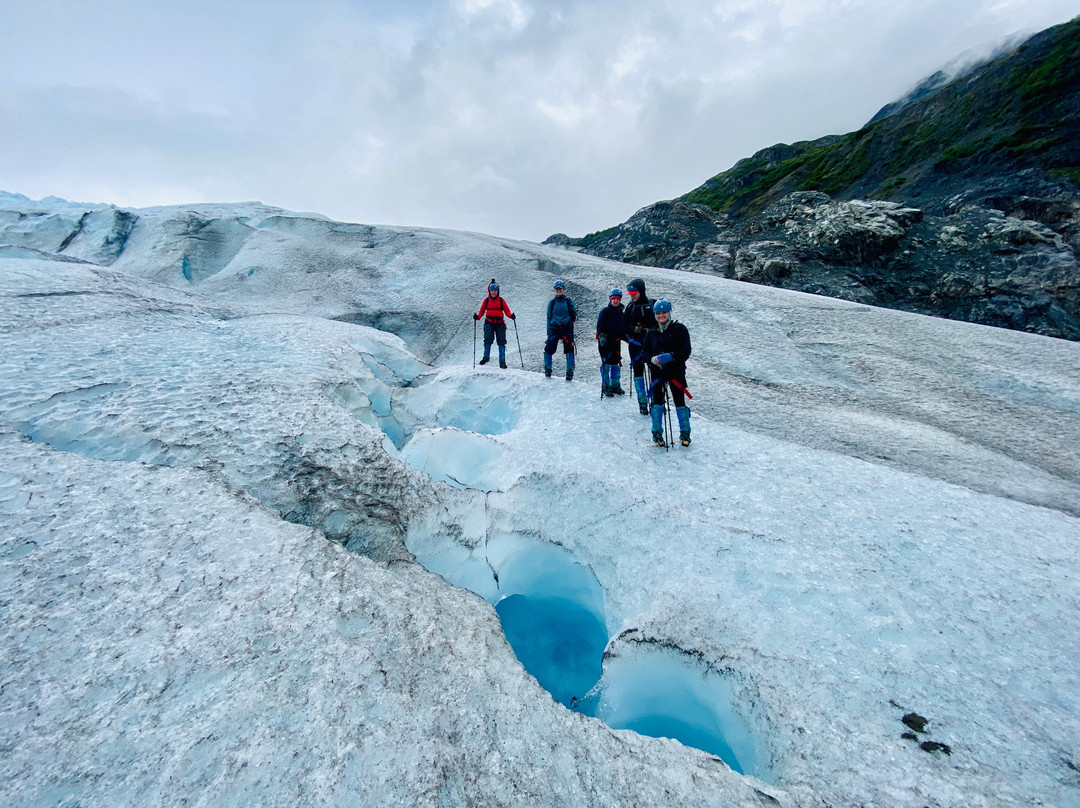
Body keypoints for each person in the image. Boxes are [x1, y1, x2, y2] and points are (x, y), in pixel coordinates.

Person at [642, 298, 692, 447]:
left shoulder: (680, 329)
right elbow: (644, 353)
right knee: (657, 402)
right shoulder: (651, 333)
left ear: (669, 313)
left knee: (679, 402)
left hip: (676, 372)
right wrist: (652, 359)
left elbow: (686, 350)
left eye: (663, 312)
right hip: (657, 373)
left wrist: (672, 356)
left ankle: (685, 434)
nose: (660, 316)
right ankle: (657, 434)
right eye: (658, 313)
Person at [621, 278, 656, 414]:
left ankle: (656, 401)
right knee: (638, 371)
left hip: (650, 345)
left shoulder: (651, 305)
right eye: (630, 293)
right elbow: (623, 326)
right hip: (635, 345)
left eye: (634, 293)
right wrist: (633, 331)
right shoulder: (630, 307)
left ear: (641, 291)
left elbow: (659, 323)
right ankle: (642, 403)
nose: (632, 295)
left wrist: (648, 331)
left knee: (654, 372)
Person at [473, 279, 515, 368]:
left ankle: (502, 362)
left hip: (500, 324)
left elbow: (507, 311)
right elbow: (482, 311)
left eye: (495, 291)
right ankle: (486, 357)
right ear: (489, 291)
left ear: (497, 291)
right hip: (489, 323)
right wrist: (477, 317)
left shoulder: (501, 301)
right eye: (492, 291)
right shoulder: (486, 301)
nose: (493, 292)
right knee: (488, 339)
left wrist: (511, 316)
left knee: (501, 341)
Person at [544, 279, 577, 380]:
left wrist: (573, 316)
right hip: (554, 328)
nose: (558, 291)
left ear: (563, 289)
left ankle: (569, 372)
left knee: (569, 349)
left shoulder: (568, 301)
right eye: (557, 289)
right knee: (549, 348)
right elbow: (549, 317)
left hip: (566, 328)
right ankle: (548, 370)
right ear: (554, 290)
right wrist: (549, 331)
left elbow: (574, 313)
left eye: (560, 289)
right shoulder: (552, 303)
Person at [595, 289, 625, 397]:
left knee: (615, 363)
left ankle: (615, 385)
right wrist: (602, 336)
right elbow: (600, 325)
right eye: (614, 299)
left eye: (617, 299)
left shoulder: (621, 313)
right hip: (605, 342)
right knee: (606, 363)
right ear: (610, 299)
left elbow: (624, 328)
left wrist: (628, 338)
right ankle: (606, 386)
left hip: (616, 342)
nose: (616, 301)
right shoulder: (605, 311)